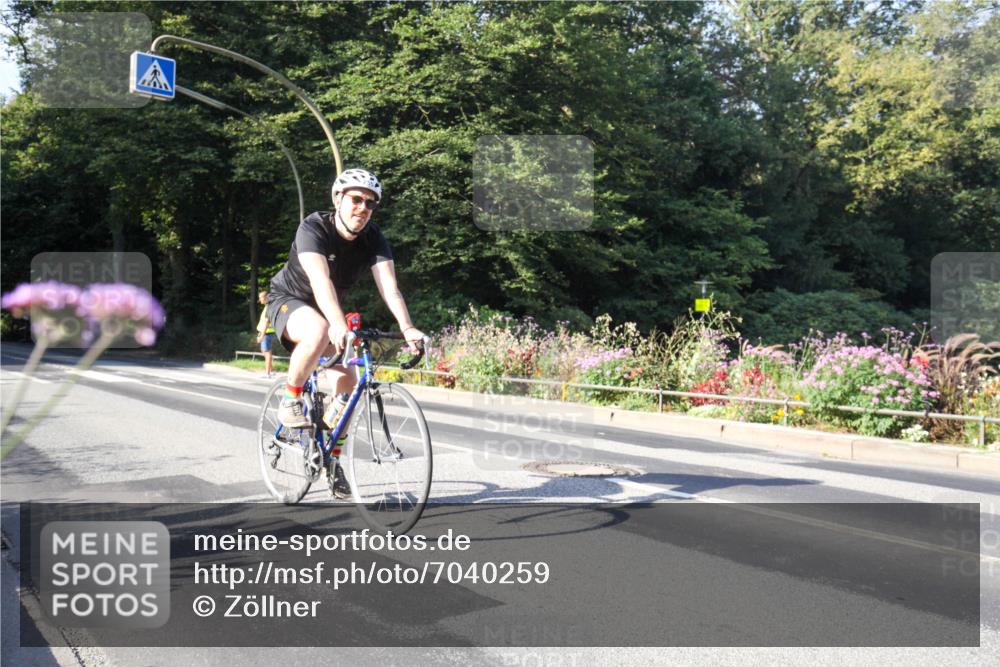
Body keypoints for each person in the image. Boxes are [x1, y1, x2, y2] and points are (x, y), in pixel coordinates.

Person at [265, 169, 425, 495]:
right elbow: (320, 282)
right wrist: (337, 324)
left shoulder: (373, 238)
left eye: (370, 203)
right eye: (356, 199)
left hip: (327, 312)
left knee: (348, 384)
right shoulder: (313, 228)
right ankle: (290, 399)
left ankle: (332, 460)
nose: (362, 208)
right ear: (338, 199)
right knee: (320, 328)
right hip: (290, 300)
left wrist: (407, 327)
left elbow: (390, 288)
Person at [255, 291, 276, 378]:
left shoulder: (269, 307)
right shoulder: (268, 306)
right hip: (266, 333)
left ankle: (267, 373)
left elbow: (266, 322)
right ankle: (270, 371)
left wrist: (262, 335)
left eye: (261, 298)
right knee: (266, 352)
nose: (260, 300)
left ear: (266, 297)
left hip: (266, 333)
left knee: (267, 353)